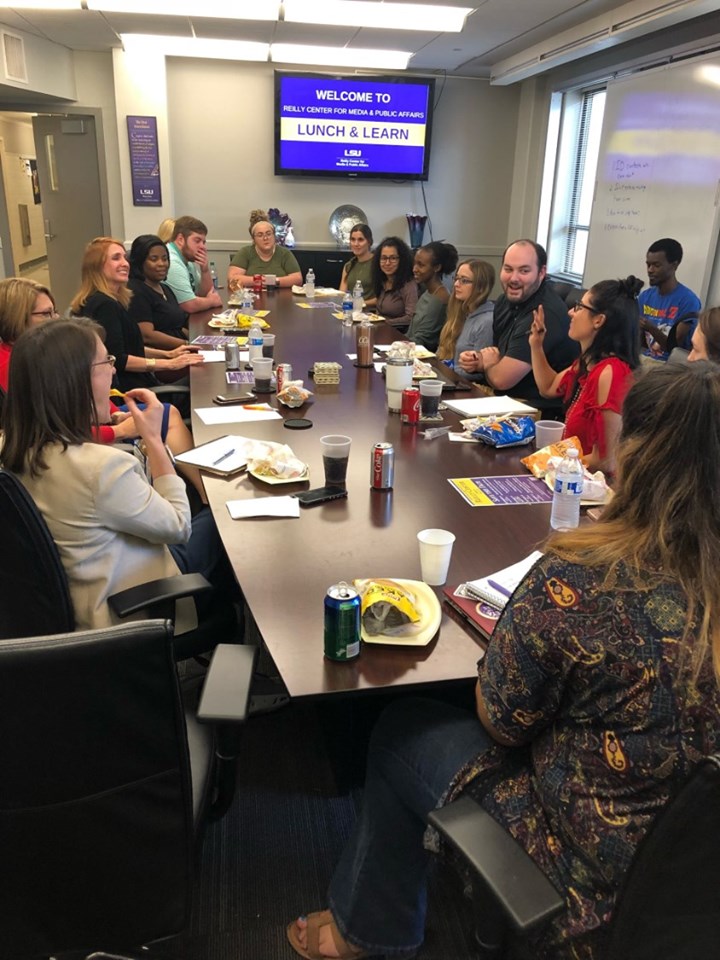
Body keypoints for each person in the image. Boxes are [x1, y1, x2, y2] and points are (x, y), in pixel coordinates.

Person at [287, 360, 720, 960]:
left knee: (401, 728)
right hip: (694, 901)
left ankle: (365, 933)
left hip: (583, 884)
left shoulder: (583, 576)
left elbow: (501, 719)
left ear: (635, 453)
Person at [2, 320, 239, 633]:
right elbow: (178, 526)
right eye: (106, 362)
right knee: (228, 512)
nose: (114, 371)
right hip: (135, 605)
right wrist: (153, 440)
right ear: (77, 380)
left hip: (79, 596)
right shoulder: (101, 467)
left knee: (215, 514)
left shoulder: (10, 444)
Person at [0, 276, 143, 446]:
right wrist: (120, 430)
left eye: (55, 311)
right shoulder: (16, 365)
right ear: (16, 317)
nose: (56, 319)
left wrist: (116, 415)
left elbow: (85, 395)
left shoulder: (43, 354)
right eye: (46, 314)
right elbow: (52, 432)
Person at [529, 276, 641, 474]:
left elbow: (607, 461)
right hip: (571, 474)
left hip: (591, 486)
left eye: (580, 307)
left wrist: (549, 462)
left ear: (599, 320)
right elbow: (548, 387)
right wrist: (536, 345)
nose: (571, 312)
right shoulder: (588, 362)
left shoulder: (611, 373)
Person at [457, 239, 578, 415]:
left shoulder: (543, 314)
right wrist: (480, 361)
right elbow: (498, 354)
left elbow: (501, 379)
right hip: (503, 399)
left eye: (524, 271)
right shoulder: (504, 301)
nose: (513, 278)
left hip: (533, 409)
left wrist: (487, 365)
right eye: (508, 269)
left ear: (541, 272)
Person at [70, 236, 204, 393]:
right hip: (135, 393)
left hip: (143, 383)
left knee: (201, 375)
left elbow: (131, 348)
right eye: (116, 258)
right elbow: (118, 359)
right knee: (202, 384)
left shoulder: (112, 300)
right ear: (97, 266)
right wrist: (167, 364)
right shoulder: (104, 304)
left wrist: (168, 354)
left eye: (124, 258)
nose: (124, 263)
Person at [638, 237, 701, 361]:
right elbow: (639, 340)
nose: (650, 270)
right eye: (648, 265)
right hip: (646, 361)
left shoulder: (688, 301)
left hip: (671, 369)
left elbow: (672, 347)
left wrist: (651, 328)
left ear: (674, 265)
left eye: (656, 265)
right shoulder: (645, 297)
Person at [128, 234, 189, 350]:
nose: (162, 264)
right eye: (154, 259)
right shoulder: (136, 290)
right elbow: (147, 336)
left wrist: (199, 340)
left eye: (165, 258)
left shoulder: (165, 288)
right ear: (140, 261)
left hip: (181, 349)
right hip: (163, 357)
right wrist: (187, 344)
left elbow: (178, 326)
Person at [437, 260, 495, 376]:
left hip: (468, 386)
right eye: (456, 278)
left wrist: (443, 369)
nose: (456, 284)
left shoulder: (486, 322)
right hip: (447, 377)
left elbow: (480, 372)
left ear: (481, 287)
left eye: (464, 281)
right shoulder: (461, 312)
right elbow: (442, 353)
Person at [227, 210, 302, 291]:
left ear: (274, 236)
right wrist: (259, 281)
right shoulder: (245, 252)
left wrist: (273, 281)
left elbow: (297, 279)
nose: (265, 238)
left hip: (280, 299)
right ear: (253, 239)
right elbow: (232, 278)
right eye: (260, 235)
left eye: (269, 234)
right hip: (251, 299)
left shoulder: (285, 253)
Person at [405, 241, 458, 352]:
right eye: (415, 263)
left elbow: (422, 340)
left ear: (437, 267)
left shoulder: (439, 300)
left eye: (421, 265)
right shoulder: (428, 292)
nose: (414, 269)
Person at [165, 215, 223, 314]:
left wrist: (204, 270)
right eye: (197, 241)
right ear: (180, 240)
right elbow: (189, 305)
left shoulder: (186, 259)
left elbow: (205, 293)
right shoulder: (172, 262)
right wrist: (212, 301)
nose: (202, 247)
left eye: (203, 242)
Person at [371, 237, 418, 329]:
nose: (387, 263)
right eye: (383, 258)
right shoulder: (383, 280)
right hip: (381, 330)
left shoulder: (408, 284)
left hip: (398, 333)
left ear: (402, 260)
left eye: (393, 258)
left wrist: (384, 323)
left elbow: (411, 317)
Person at [338, 224, 375, 304]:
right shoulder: (348, 266)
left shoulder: (378, 263)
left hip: (371, 312)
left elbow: (384, 298)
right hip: (350, 310)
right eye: (353, 239)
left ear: (369, 242)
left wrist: (361, 304)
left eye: (360, 240)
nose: (356, 244)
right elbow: (342, 295)